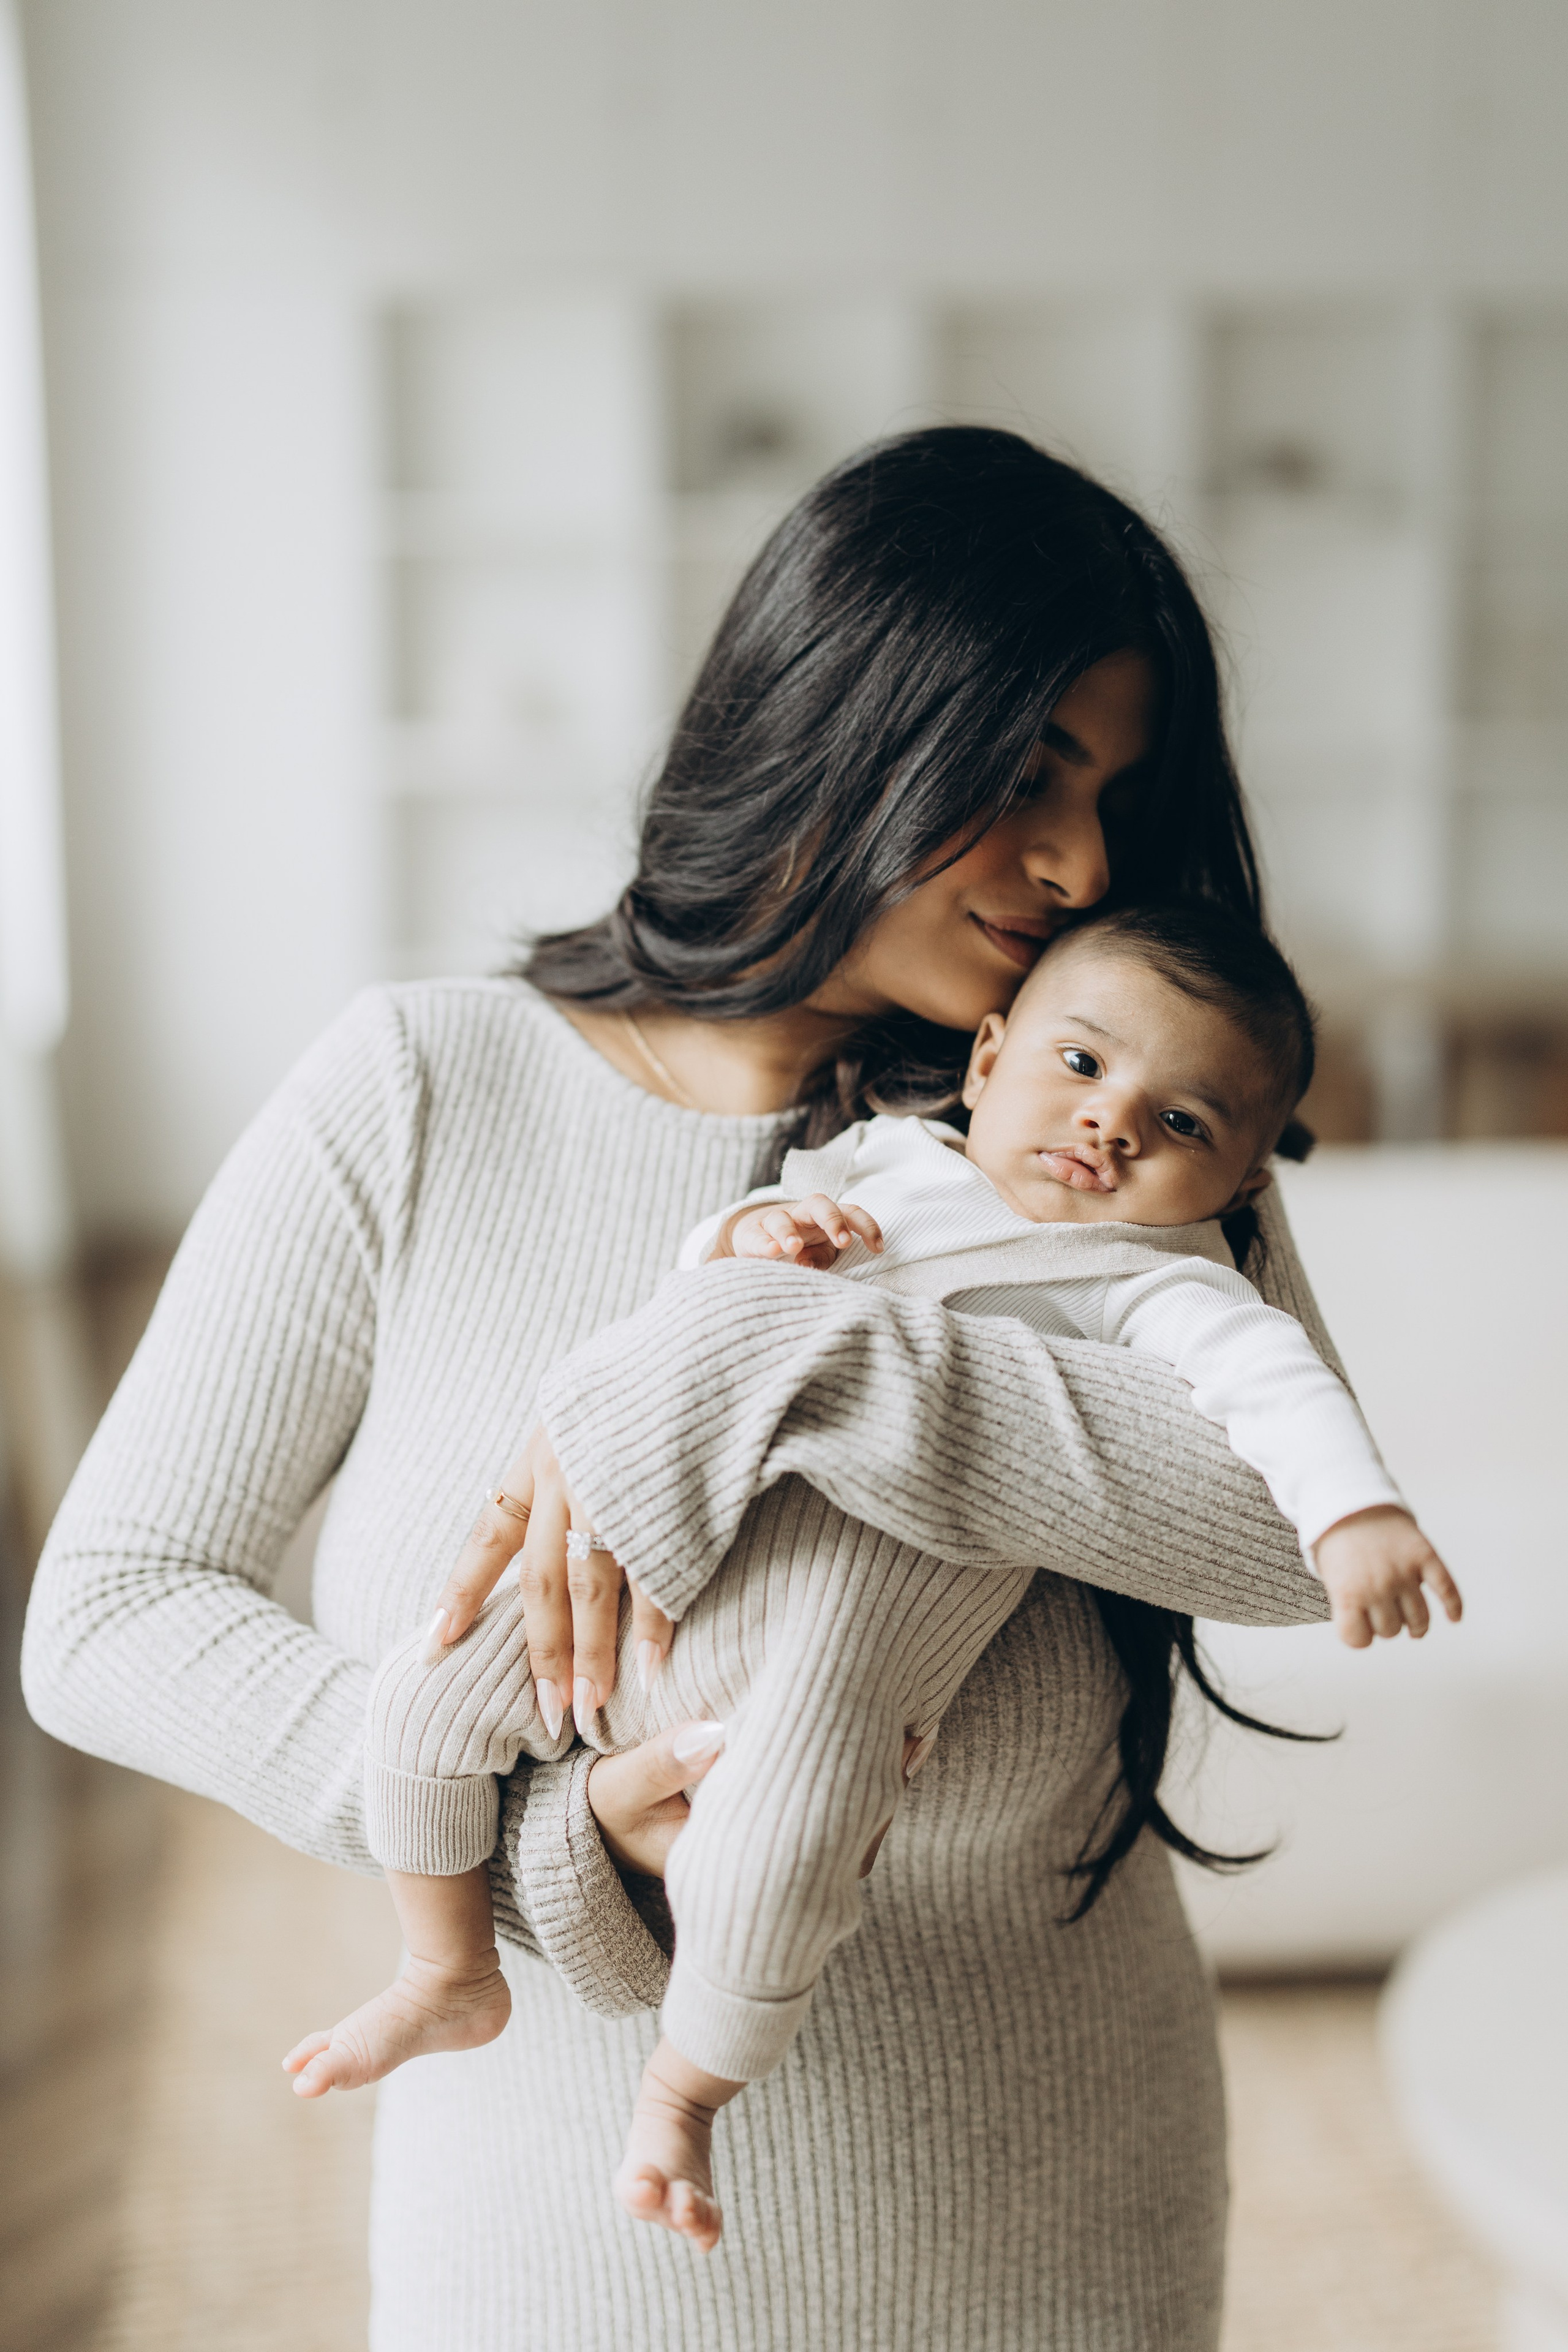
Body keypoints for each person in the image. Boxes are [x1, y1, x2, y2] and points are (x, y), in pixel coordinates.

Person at [23, 427, 1382, 2350]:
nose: (1078, 861)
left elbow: (1277, 1523)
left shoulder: (1090, 1122)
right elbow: (108, 1614)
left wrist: (773, 1359)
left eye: (1118, 798)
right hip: (550, 2247)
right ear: (839, 721)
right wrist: (528, 1837)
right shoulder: (421, 1088)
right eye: (1020, 774)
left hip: (1050, 2211)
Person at [280, 900, 1460, 2257]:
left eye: (1182, 1124)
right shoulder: (883, 1163)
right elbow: (716, 1261)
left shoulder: (1150, 1280)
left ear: (1243, 1182)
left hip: (842, 1639)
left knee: (778, 1854)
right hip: (665, 1551)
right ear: (986, 1062)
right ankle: (442, 1968)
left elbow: (1272, 1394)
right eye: (1080, 1069)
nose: (1111, 1126)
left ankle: (685, 2092)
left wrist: (1354, 1510)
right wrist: (754, 1245)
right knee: (422, 1700)